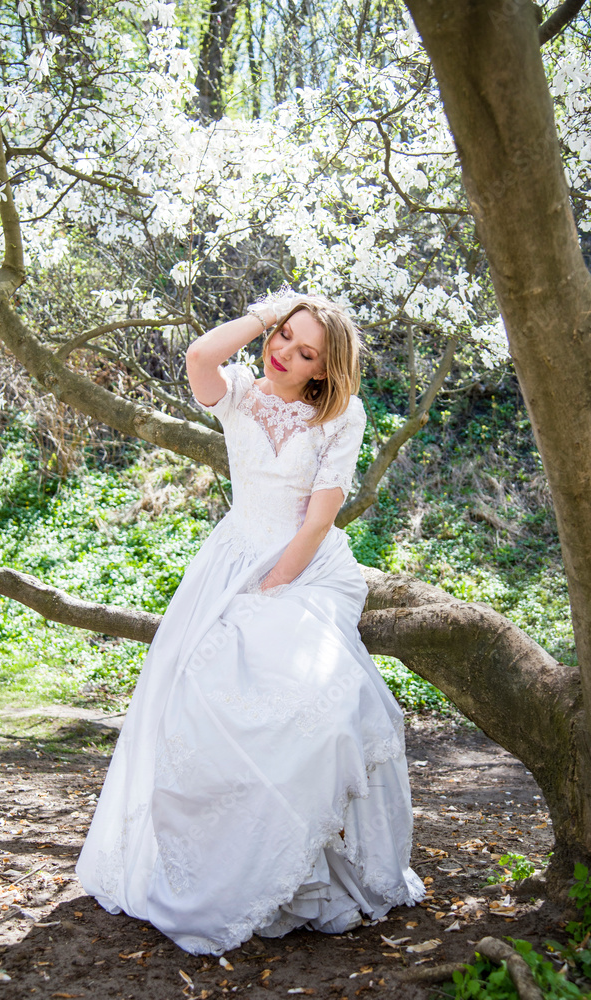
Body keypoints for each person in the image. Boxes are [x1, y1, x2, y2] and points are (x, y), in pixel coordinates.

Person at [75, 289, 425, 956]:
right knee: (203, 701)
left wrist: (274, 585)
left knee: (317, 706)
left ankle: (305, 863)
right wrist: (269, 313)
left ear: (324, 369)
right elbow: (199, 355)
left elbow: (319, 520)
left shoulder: (340, 414)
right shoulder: (237, 390)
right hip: (232, 559)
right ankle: (223, 861)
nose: (285, 353)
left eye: (305, 351)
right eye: (284, 336)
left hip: (307, 568)